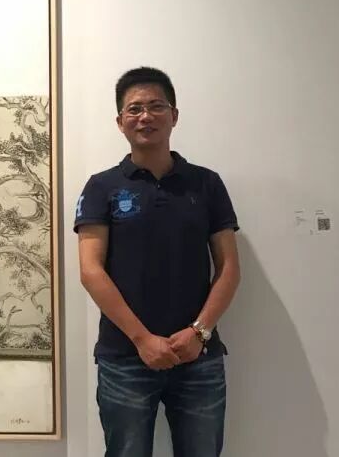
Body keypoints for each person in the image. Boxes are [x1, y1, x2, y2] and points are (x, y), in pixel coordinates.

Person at [74, 66, 240, 457]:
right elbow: (91, 271)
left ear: (174, 115)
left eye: (156, 106)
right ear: (120, 122)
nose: (145, 116)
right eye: (134, 109)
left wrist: (199, 332)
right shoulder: (102, 186)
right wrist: (142, 339)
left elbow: (229, 268)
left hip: (198, 357)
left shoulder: (207, 183)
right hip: (124, 357)